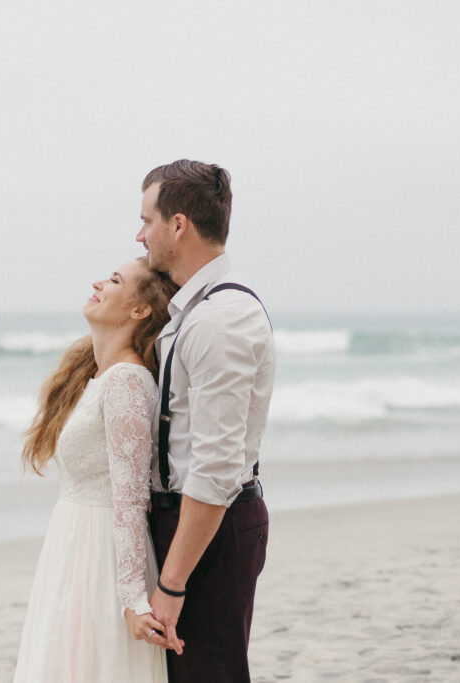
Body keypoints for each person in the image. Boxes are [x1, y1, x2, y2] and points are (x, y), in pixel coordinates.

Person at [136, 160, 276, 682]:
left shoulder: (222, 319)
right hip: (187, 521)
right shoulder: (192, 312)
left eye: (147, 219)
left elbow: (216, 468)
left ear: (178, 225)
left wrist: (172, 585)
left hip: (210, 525)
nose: (139, 233)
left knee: (209, 672)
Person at [13, 257, 180, 683]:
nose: (98, 282)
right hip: (72, 544)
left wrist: (132, 600)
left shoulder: (126, 382)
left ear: (139, 310)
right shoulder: (100, 377)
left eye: (114, 280)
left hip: (101, 557)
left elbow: (129, 499)